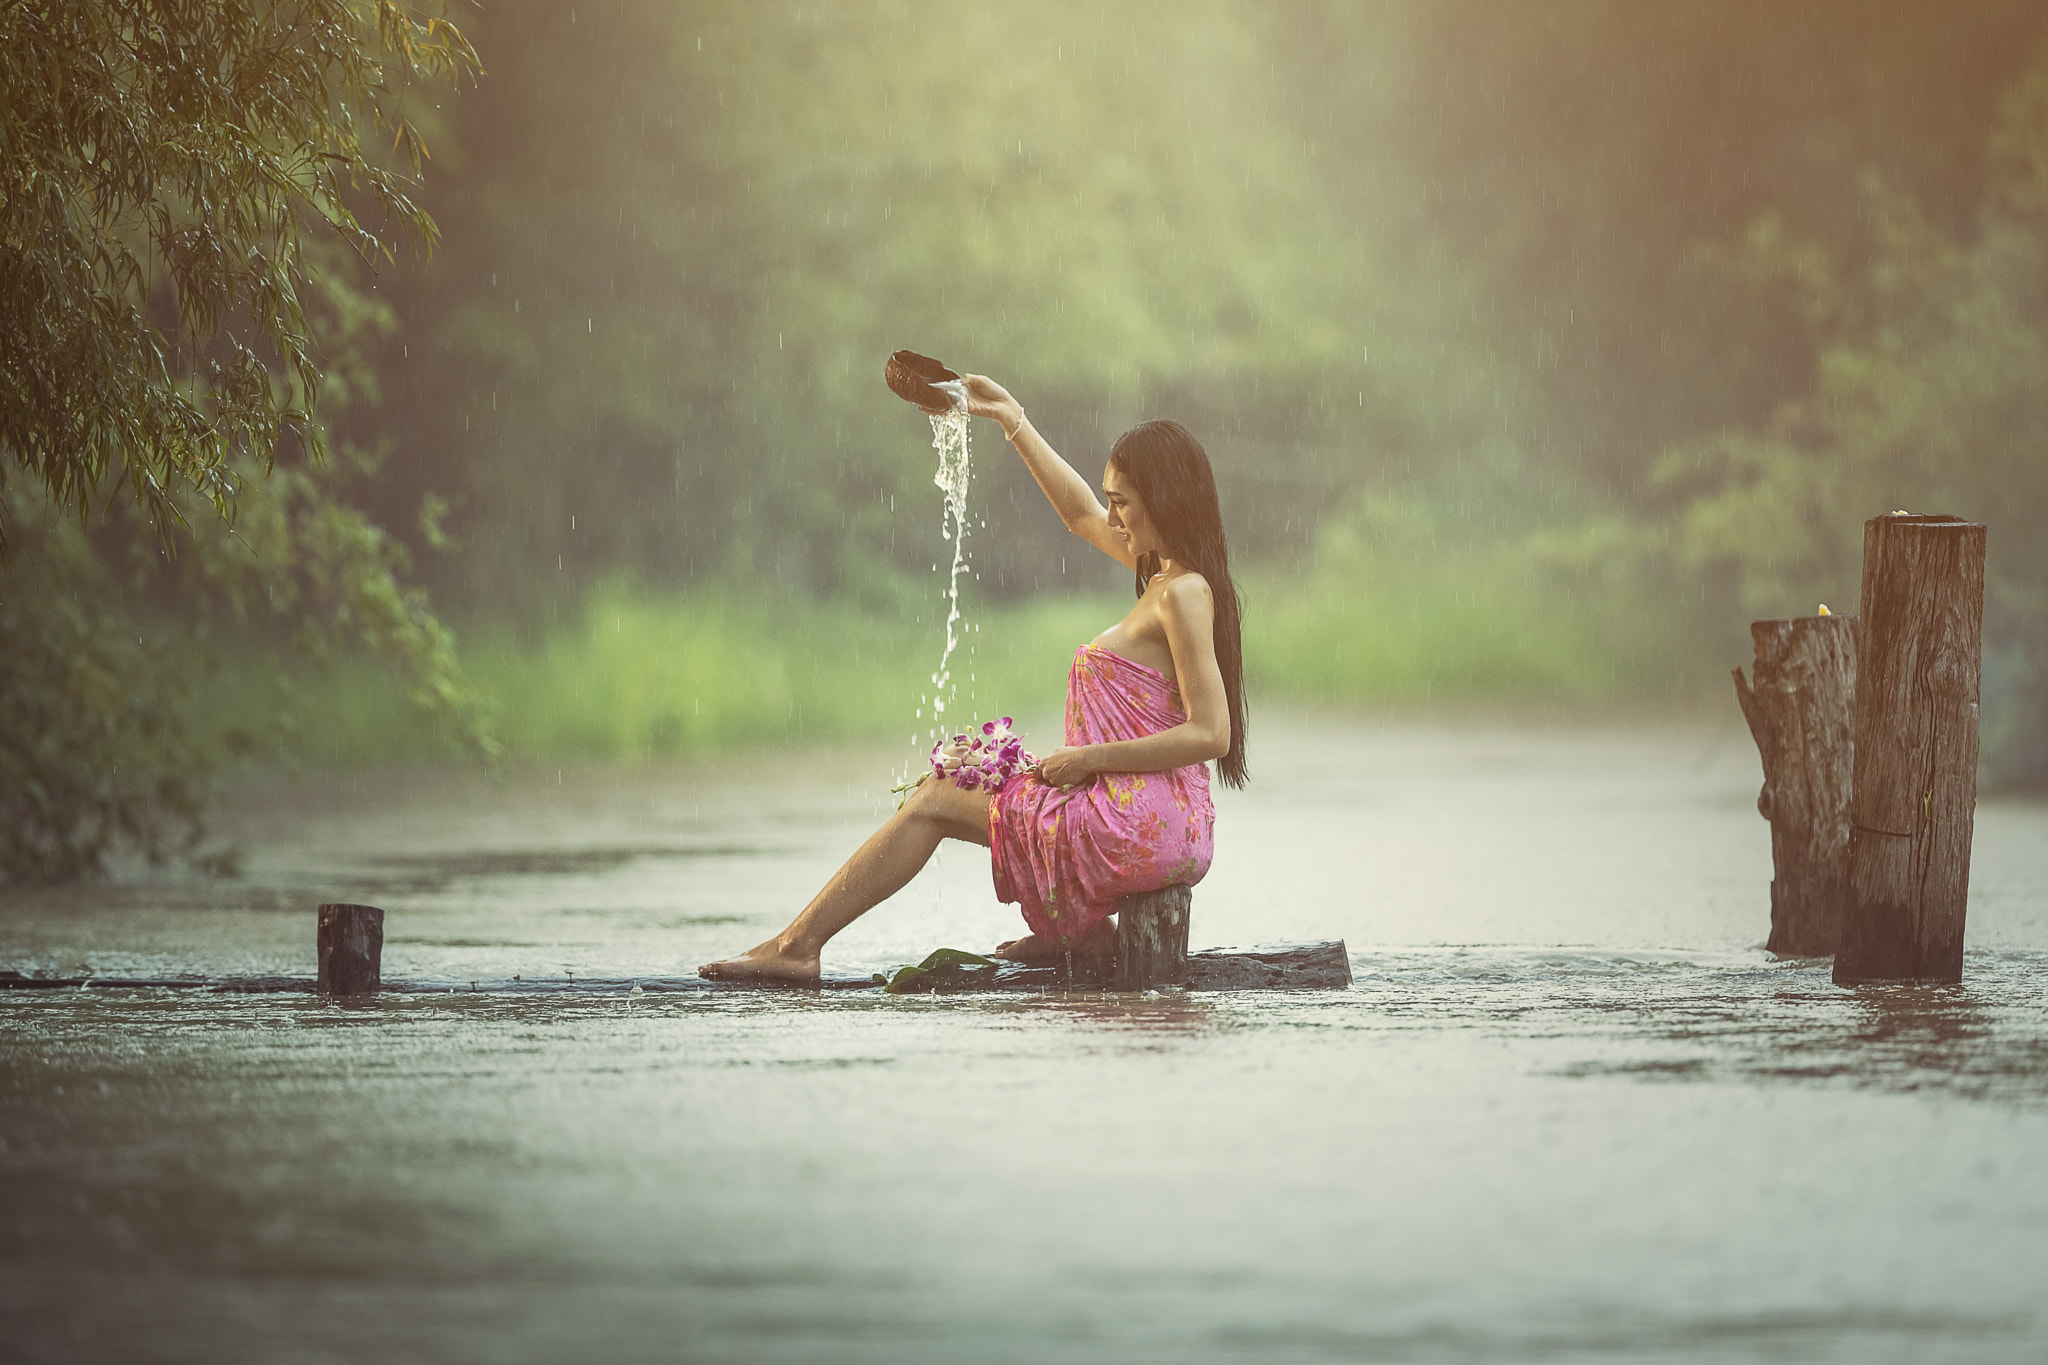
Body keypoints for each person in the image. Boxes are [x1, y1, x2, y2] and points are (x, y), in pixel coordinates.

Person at [698, 374, 1248, 982]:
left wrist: (1090, 758)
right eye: (1112, 500)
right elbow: (1078, 515)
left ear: (1163, 496)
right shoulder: (1164, 575)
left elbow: (1211, 733)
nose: (1112, 514)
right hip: (1153, 819)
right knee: (967, 771)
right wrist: (1012, 416)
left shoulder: (1185, 593)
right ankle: (1089, 936)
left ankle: (798, 947)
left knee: (935, 799)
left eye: (1122, 500)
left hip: (1143, 823)